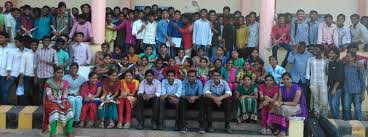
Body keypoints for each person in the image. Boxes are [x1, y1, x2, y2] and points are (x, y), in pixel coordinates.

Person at [267, 72, 307, 137]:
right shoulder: (281, 88)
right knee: (275, 107)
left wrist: (282, 103)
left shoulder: (297, 88)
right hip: (286, 105)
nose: (286, 81)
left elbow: (295, 103)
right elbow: (280, 100)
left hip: (297, 106)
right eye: (284, 79)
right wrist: (276, 103)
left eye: (287, 79)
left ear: (291, 79)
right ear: (282, 80)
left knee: (283, 109)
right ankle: (277, 127)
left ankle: (283, 131)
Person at [42, 67, 74, 137]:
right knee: (55, 110)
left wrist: (63, 101)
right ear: (54, 73)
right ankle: (53, 132)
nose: (60, 74)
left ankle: (69, 131)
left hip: (62, 100)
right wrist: (58, 102)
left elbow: (65, 93)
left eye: (61, 73)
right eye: (58, 73)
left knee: (69, 108)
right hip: (51, 101)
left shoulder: (65, 82)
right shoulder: (49, 82)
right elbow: (49, 95)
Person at [287, 42, 313, 108]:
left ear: (305, 48)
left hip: (304, 79)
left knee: (304, 97)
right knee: (294, 96)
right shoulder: (293, 53)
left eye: (301, 48)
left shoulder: (309, 55)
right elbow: (290, 61)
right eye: (298, 47)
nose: (299, 49)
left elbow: (311, 67)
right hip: (295, 79)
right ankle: (295, 112)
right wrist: (294, 50)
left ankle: (304, 112)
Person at [306, 45, 329, 117]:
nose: (314, 51)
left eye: (317, 50)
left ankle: (324, 117)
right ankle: (317, 116)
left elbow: (327, 72)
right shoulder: (310, 59)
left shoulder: (325, 60)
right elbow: (308, 69)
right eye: (314, 49)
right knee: (315, 100)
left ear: (321, 51)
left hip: (323, 83)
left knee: (324, 101)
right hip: (313, 83)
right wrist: (308, 79)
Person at [343, 51, 366, 120]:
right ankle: (348, 124)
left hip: (357, 92)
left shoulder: (358, 67)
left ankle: (359, 125)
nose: (346, 57)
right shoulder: (344, 66)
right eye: (346, 56)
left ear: (353, 58)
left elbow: (362, 80)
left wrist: (363, 93)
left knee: (358, 109)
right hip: (347, 91)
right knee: (346, 108)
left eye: (348, 56)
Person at [35, 36, 58, 105]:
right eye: (45, 40)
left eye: (48, 40)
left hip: (49, 75)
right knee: (40, 91)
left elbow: (56, 64)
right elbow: (35, 65)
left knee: (49, 91)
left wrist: (48, 62)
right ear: (42, 42)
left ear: (50, 42)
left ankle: (49, 105)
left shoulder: (53, 51)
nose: (46, 42)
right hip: (40, 74)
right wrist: (35, 76)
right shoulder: (38, 51)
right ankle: (40, 106)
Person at [10, 36, 29, 105]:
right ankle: (15, 104)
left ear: (22, 42)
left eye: (17, 42)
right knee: (13, 89)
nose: (16, 44)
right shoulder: (12, 51)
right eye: (15, 42)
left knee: (22, 90)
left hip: (24, 73)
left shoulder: (28, 51)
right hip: (14, 73)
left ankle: (21, 105)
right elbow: (10, 62)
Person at [327, 47, 344, 119]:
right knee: (331, 105)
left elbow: (339, 78)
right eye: (330, 53)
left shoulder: (339, 63)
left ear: (337, 54)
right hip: (331, 87)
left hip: (337, 88)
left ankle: (337, 121)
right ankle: (334, 120)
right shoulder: (331, 63)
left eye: (332, 53)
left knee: (334, 105)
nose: (330, 54)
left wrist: (334, 89)